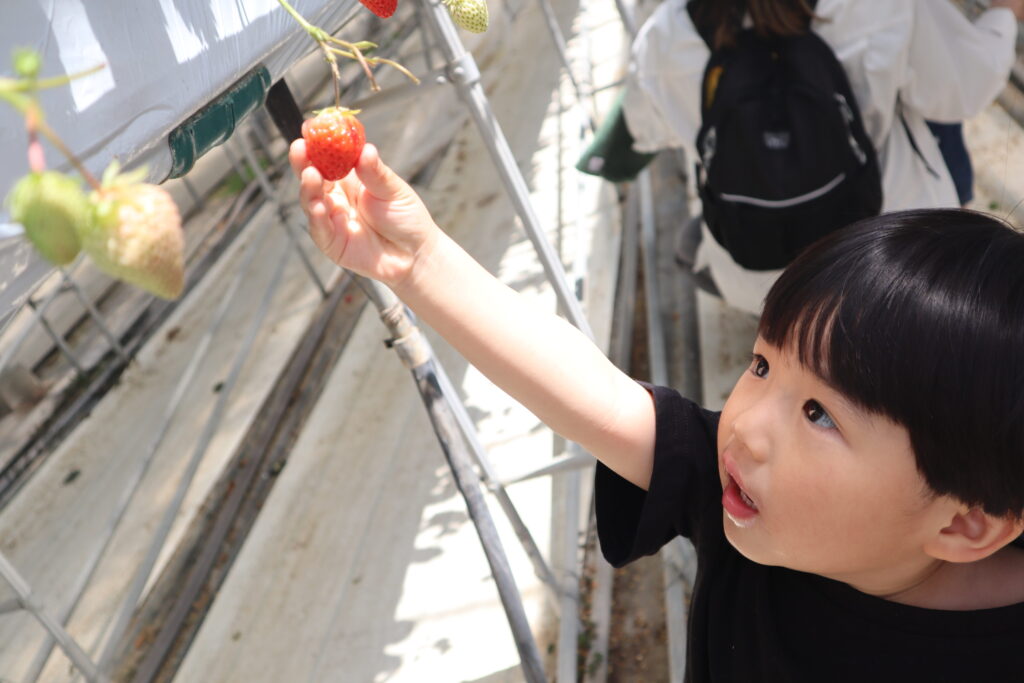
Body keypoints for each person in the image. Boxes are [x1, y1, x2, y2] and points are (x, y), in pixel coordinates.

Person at [291, 140, 1024, 681]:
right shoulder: (748, 501)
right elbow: (599, 396)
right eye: (761, 364)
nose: (745, 425)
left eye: (819, 414)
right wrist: (420, 263)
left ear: (964, 523)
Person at [623, 0, 1021, 314]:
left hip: (764, 284)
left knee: (692, 242)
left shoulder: (662, 35)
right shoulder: (877, 6)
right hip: (895, 257)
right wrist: (1004, 14)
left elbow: (646, 132)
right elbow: (964, 89)